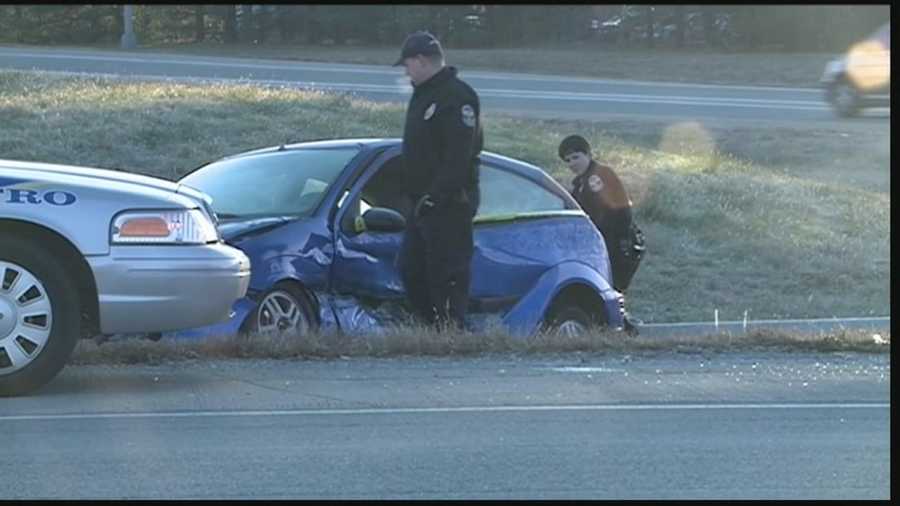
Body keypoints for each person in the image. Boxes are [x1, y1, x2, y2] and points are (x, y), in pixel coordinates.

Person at [393, 31, 483, 331]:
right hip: (420, 204)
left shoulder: (457, 97)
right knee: (410, 269)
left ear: (421, 60)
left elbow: (458, 156)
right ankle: (431, 328)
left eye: (408, 65)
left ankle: (450, 332)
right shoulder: (423, 96)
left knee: (446, 274)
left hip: (448, 204)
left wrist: (436, 195)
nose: (406, 72)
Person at [558, 135, 644, 332]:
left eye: (576, 157)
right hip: (598, 243)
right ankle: (618, 326)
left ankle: (623, 328)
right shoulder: (580, 183)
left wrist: (617, 239)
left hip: (614, 240)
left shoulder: (599, 176)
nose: (572, 163)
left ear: (588, 154)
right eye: (568, 160)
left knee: (613, 287)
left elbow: (621, 209)